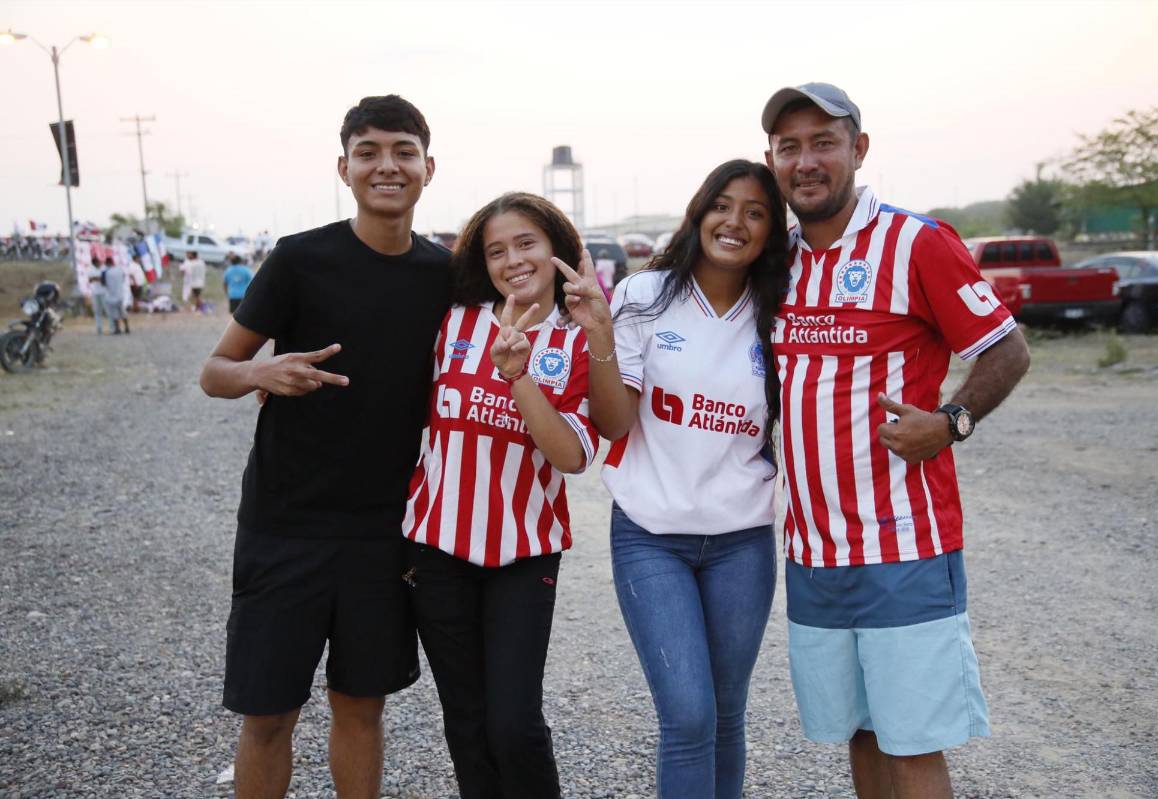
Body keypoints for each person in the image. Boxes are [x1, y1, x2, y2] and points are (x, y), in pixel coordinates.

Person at [760, 82, 1031, 799]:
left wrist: (949, 422)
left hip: (903, 546)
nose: (806, 161)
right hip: (813, 551)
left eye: (824, 142)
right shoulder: (777, 261)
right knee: (861, 731)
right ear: (773, 159)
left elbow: (1007, 349)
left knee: (911, 742)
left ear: (859, 149)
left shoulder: (917, 242)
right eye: (790, 146)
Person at [198, 94, 450, 799]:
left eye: (403, 152)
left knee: (362, 708)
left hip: (385, 531)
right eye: (368, 152)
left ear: (428, 167)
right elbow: (215, 372)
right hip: (285, 524)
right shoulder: (299, 259)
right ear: (344, 169)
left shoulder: (445, 275)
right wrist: (262, 372)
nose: (386, 166)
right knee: (269, 714)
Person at [554, 160, 790, 799]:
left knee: (727, 714)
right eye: (723, 205)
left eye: (755, 212)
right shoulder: (645, 294)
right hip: (651, 536)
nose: (735, 222)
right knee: (688, 716)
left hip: (743, 540)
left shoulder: (779, 308)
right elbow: (614, 422)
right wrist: (600, 334)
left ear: (772, 232)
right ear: (699, 212)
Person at [402, 192, 599, 799]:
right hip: (437, 550)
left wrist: (519, 376)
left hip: (524, 553)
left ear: (556, 247)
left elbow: (571, 458)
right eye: (495, 251)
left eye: (526, 243)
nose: (513, 260)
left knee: (514, 724)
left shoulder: (577, 338)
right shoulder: (455, 319)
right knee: (466, 723)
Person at [101, 256, 130, 335]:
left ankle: (117, 329)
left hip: (111, 295)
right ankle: (127, 327)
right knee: (122, 311)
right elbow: (123, 278)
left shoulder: (106, 272)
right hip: (120, 294)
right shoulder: (119, 270)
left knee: (114, 313)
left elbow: (103, 283)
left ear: (107, 263)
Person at [86, 257, 108, 334]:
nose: (98, 263)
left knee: (107, 310)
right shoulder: (90, 269)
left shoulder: (104, 268)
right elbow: (90, 280)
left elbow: (104, 279)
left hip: (104, 292)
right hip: (95, 292)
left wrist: (96, 278)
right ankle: (99, 328)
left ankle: (113, 327)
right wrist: (98, 278)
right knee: (97, 311)